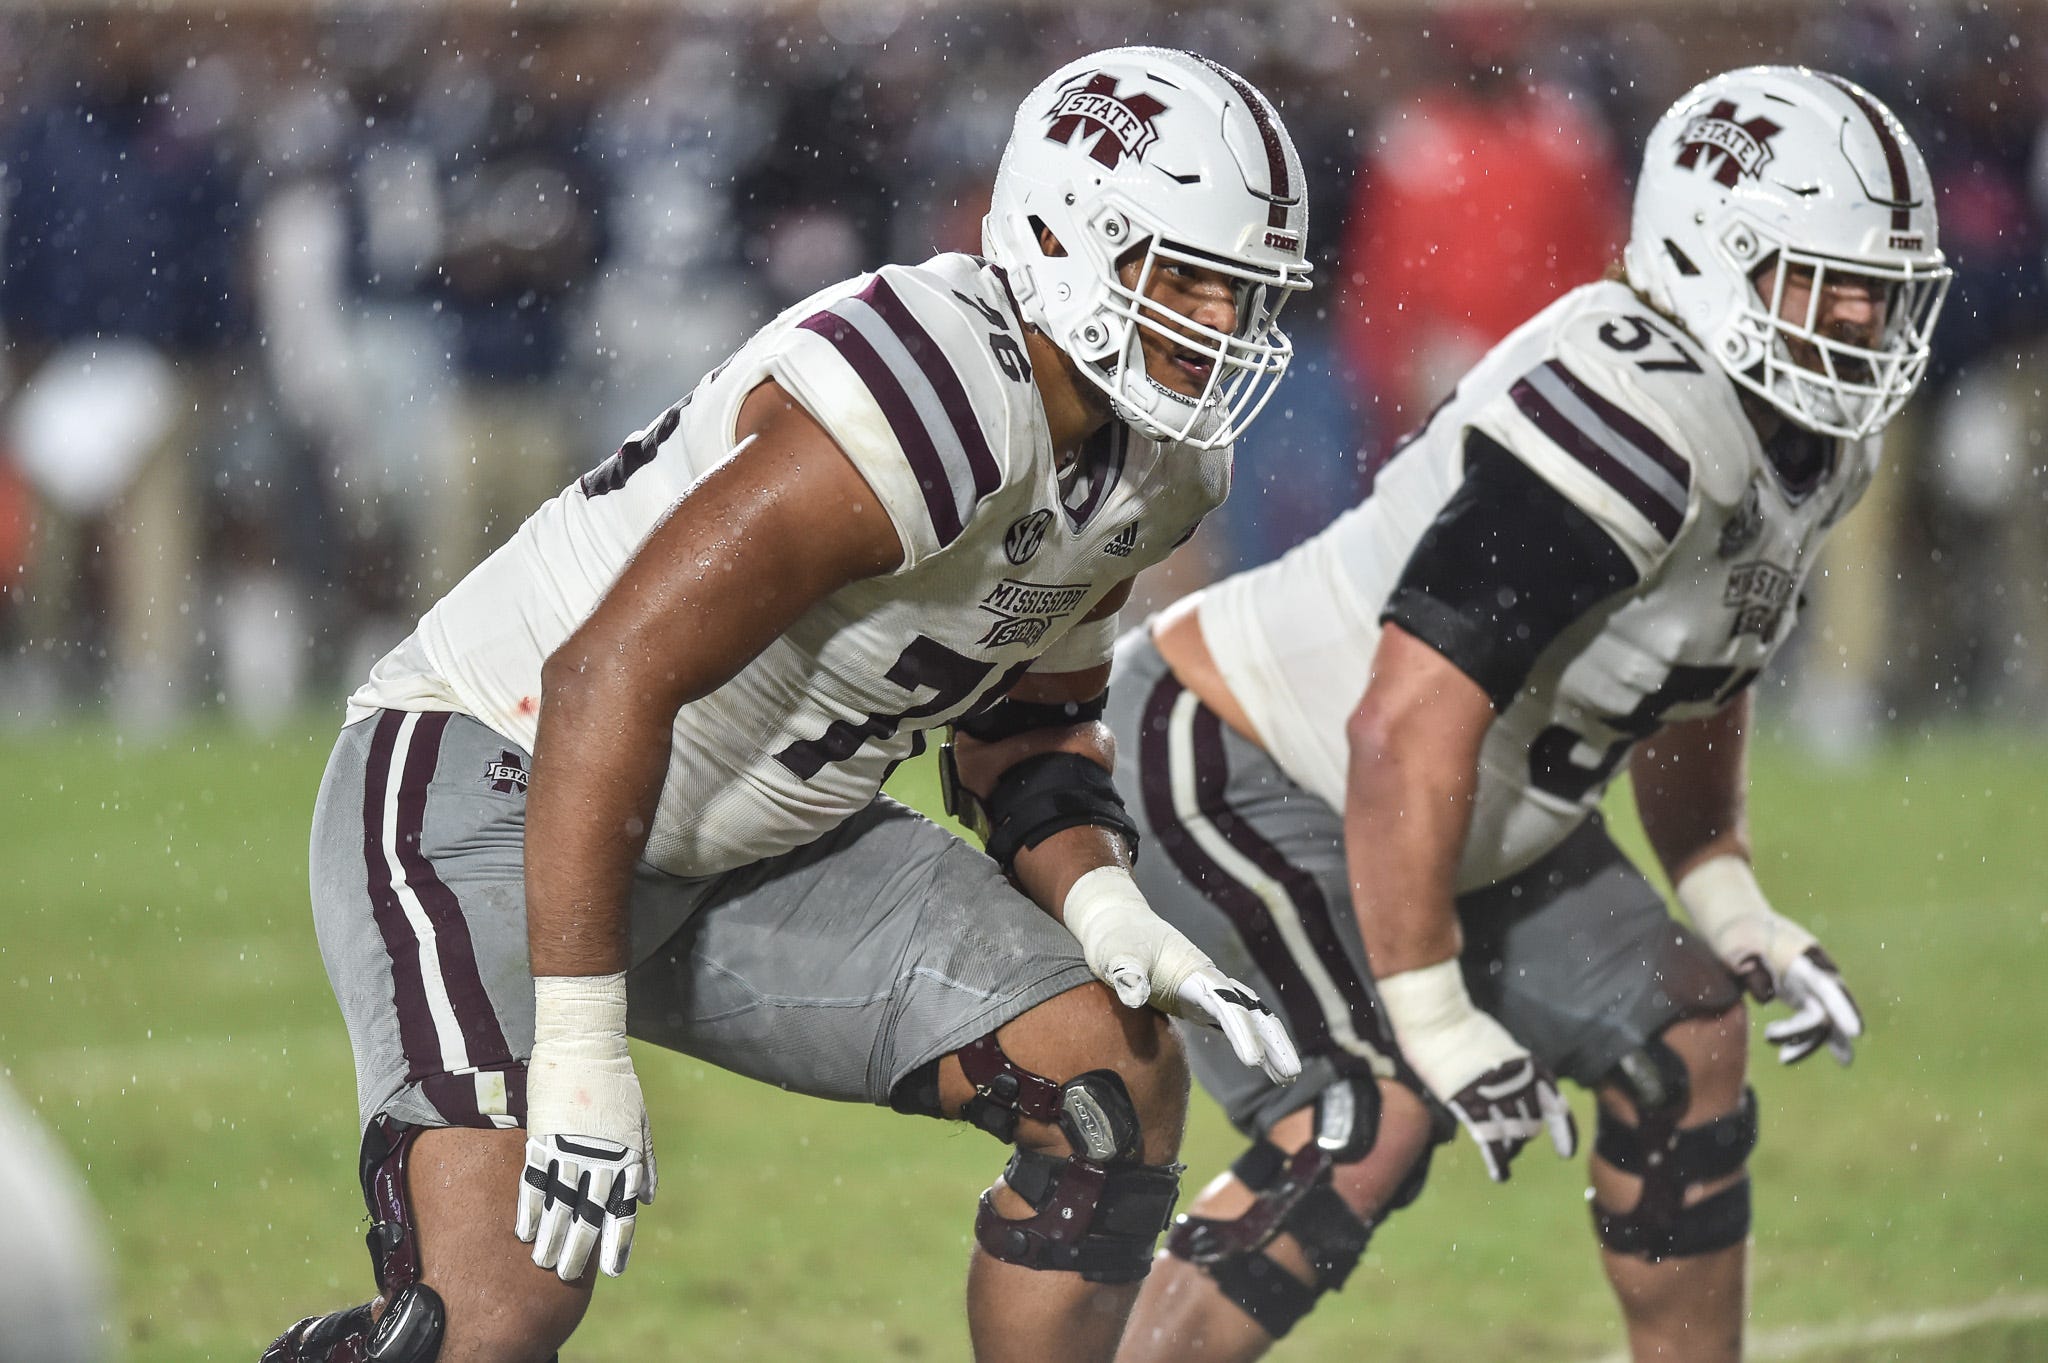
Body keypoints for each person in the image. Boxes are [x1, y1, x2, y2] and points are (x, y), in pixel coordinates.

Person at [262, 47, 1310, 1363]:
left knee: (1110, 1074)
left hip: (757, 836)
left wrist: (1108, 906)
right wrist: (581, 1052)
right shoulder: (925, 400)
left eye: (1246, 290)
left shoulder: (1163, 466)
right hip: (497, 776)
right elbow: (605, 677)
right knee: (499, 1311)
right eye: (1190, 277)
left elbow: (1026, 727)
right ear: (1063, 238)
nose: (1224, 324)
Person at [1103, 66, 1949, 1362]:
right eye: (1821, 275)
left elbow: (1699, 670)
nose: (1861, 313)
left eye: (1881, 284)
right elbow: (1400, 728)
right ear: (1709, 259)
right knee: (1363, 1121)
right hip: (1245, 750)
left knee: (1690, 1045)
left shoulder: (1813, 438)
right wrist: (1436, 1014)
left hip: (1452, 796)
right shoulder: (1634, 418)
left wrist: (1723, 891)